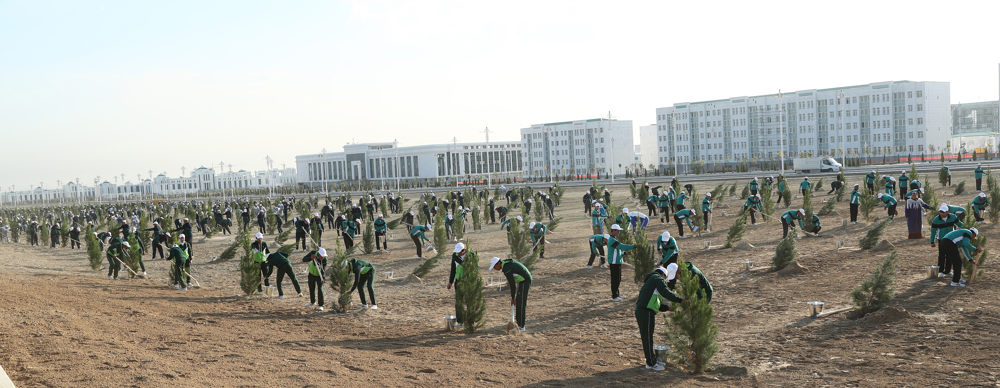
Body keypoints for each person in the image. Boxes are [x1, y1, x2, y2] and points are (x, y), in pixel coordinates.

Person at [635, 266, 682, 371]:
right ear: (663, 275)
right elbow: (666, 293)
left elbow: (656, 304)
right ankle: (651, 363)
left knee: (648, 337)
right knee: (647, 338)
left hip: (645, 311)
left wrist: (668, 308)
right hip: (645, 312)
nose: (665, 281)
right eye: (665, 278)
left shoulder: (652, 282)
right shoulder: (657, 279)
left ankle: (651, 360)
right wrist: (680, 300)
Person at [489, 256, 532, 332]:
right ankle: (519, 325)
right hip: (522, 281)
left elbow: (512, 284)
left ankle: (521, 327)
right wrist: (513, 297)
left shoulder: (506, 268)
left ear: (498, 263)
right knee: (519, 302)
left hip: (525, 280)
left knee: (521, 303)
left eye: (494, 267)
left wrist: (513, 298)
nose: (494, 269)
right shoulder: (506, 264)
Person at [930, 203, 964, 280]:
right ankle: (940, 271)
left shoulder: (953, 217)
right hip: (941, 239)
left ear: (947, 212)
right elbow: (933, 231)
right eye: (940, 211)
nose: (941, 213)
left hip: (952, 239)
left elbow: (960, 224)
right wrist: (932, 241)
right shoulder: (936, 220)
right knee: (942, 255)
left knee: (950, 255)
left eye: (943, 212)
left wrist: (968, 227)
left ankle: (947, 271)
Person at [606, 224, 633, 301]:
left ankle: (617, 294)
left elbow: (618, 251)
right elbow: (622, 247)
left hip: (617, 262)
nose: (619, 232)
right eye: (618, 231)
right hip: (614, 263)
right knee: (615, 280)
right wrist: (633, 246)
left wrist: (625, 253)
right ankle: (614, 296)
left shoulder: (614, 239)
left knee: (618, 279)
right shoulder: (612, 240)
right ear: (614, 231)